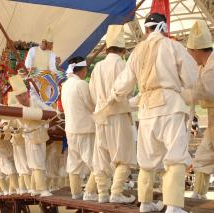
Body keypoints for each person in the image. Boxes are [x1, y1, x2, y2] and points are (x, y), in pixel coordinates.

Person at [104, 13, 198, 213]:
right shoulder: (173, 46)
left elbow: (124, 82)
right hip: (169, 106)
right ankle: (173, 206)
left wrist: (114, 96)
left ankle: (145, 203)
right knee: (175, 156)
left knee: (146, 160)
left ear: (146, 30)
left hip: (146, 111)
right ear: (164, 28)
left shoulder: (137, 51)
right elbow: (190, 78)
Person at [89, 25, 137, 203]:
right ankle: (116, 193)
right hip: (118, 113)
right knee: (123, 155)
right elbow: (129, 92)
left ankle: (102, 194)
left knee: (101, 156)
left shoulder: (97, 67)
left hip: (101, 115)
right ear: (123, 49)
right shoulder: (123, 65)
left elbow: (93, 93)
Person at [182, 20, 214, 200]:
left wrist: (182, 93)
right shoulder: (202, 66)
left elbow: (204, 90)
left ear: (195, 51)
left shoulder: (212, 66)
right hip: (211, 119)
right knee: (203, 158)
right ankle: (199, 195)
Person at [9, 75, 53, 197]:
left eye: (23, 94)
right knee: (36, 163)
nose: (22, 98)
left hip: (41, 134)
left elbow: (48, 109)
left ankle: (34, 188)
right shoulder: (15, 108)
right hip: (29, 137)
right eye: (18, 96)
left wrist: (56, 114)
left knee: (38, 162)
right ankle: (42, 189)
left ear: (27, 93)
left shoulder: (35, 100)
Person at [61, 56, 97, 201]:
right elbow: (91, 105)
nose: (86, 71)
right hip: (84, 128)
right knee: (95, 162)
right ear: (81, 70)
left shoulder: (65, 85)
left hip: (70, 128)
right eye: (86, 69)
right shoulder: (81, 84)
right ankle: (89, 191)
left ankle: (76, 192)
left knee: (74, 161)